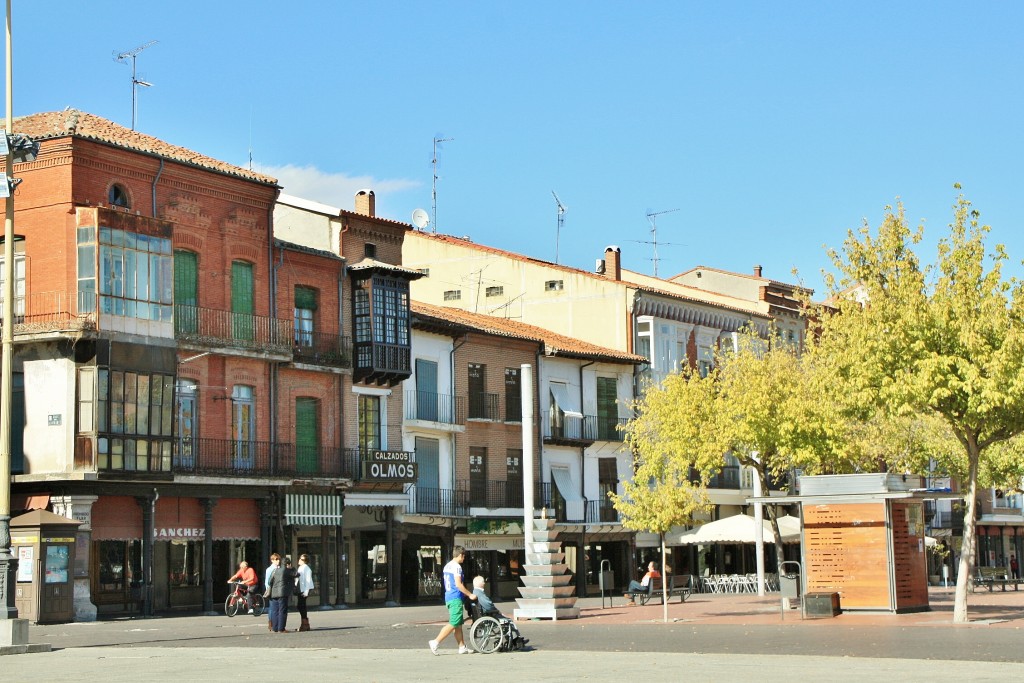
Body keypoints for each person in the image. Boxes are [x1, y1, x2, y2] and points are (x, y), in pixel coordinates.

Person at [428, 545, 477, 655]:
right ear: (460, 555)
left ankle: (462, 647)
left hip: (449, 596)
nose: (464, 559)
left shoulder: (447, 566)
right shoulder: (457, 567)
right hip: (455, 597)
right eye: (464, 557)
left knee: (458, 624)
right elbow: (458, 584)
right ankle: (435, 642)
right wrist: (470, 595)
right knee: (454, 622)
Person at [264, 553, 296, 633]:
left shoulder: (275, 570)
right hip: (282, 593)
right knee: (282, 610)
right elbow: (296, 574)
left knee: (275, 610)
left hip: (274, 593)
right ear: (287, 564)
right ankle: (281, 628)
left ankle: (275, 627)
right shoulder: (286, 570)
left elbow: (269, 581)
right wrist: (292, 568)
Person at [295, 554, 315, 632]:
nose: (300, 560)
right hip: (300, 588)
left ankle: (305, 624)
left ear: (305, 561)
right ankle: (304, 623)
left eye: (302, 559)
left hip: (304, 589)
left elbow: (308, 580)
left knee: (301, 606)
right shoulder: (300, 567)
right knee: (301, 606)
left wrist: (306, 592)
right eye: (300, 558)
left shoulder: (307, 568)